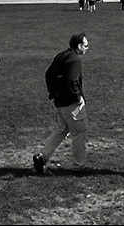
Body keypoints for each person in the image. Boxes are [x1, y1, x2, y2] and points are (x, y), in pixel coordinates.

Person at [34, 33, 89, 174]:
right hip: (71, 104)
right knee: (78, 133)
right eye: (86, 46)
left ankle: (42, 157)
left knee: (62, 130)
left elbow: (48, 74)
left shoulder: (61, 55)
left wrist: (54, 93)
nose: (87, 48)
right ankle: (79, 166)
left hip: (60, 103)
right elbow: (72, 81)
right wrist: (78, 97)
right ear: (79, 46)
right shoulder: (75, 60)